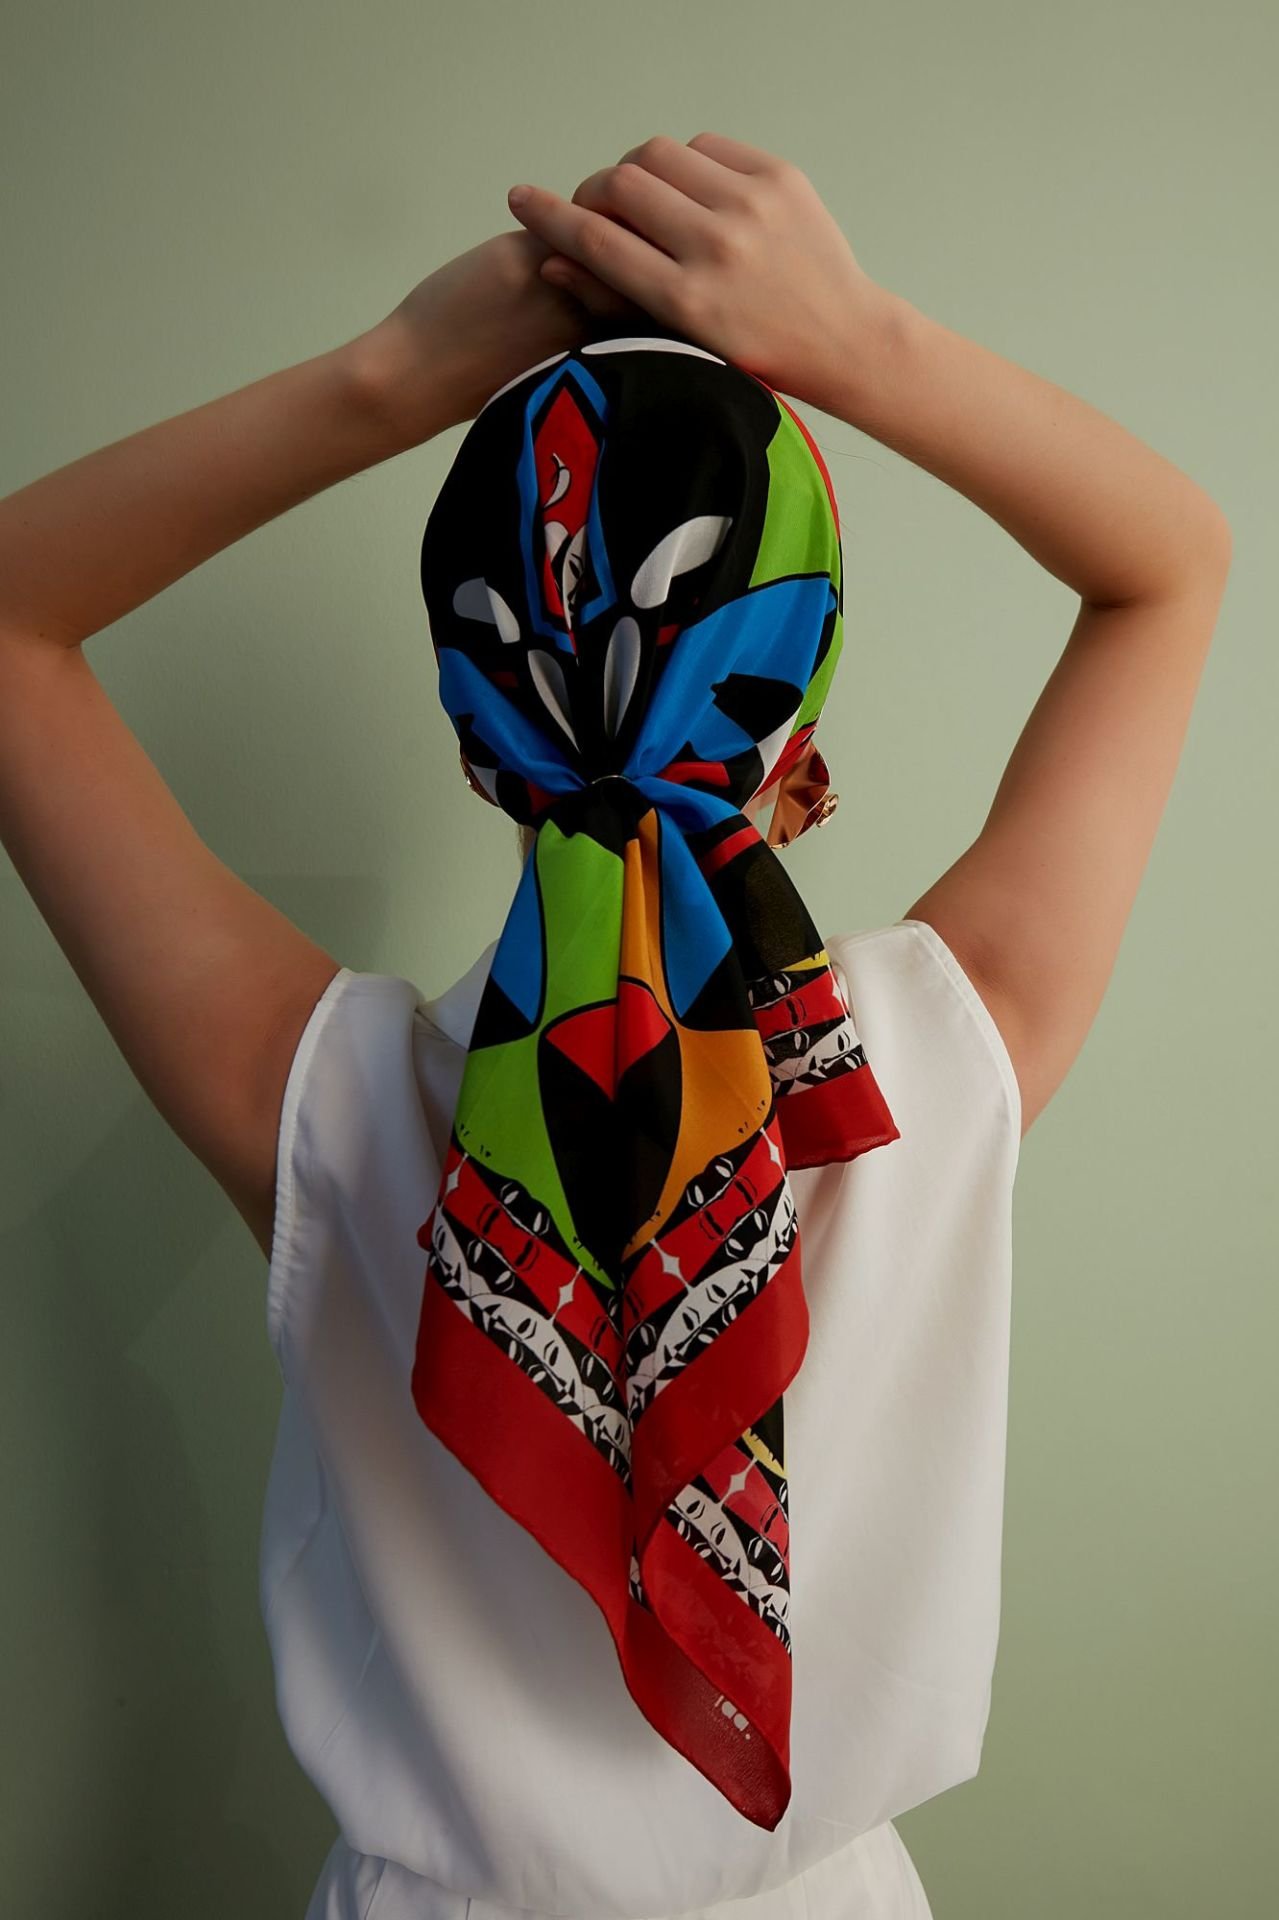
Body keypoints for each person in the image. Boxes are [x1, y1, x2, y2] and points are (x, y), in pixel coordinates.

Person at [0, 131, 1230, 1920]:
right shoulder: (940, 1057)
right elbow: (1174, 564)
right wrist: (856, 340)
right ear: (795, 754)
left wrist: (390, 377)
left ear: (480, 749)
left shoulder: (327, 1110)